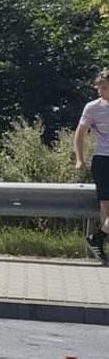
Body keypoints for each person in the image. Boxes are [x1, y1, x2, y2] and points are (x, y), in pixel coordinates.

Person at [74, 68, 109, 264]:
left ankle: (98, 238)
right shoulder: (93, 107)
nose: (100, 92)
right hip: (103, 159)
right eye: (99, 88)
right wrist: (80, 159)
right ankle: (100, 244)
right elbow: (79, 134)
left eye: (104, 88)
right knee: (106, 205)